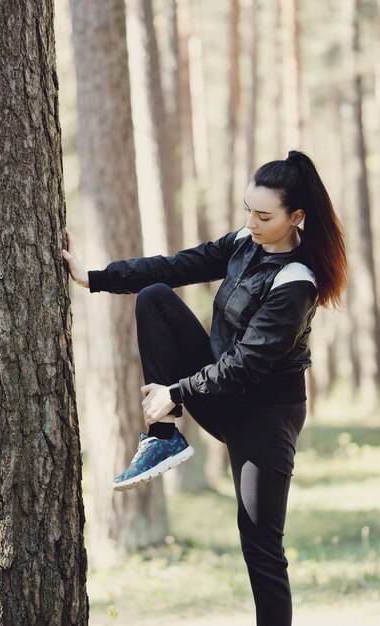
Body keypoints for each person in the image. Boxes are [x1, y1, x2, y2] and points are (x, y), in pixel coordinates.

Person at [62, 150, 347, 626]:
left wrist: (175, 392)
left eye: (263, 215)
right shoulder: (244, 242)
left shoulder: (297, 281)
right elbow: (176, 267)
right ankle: (164, 438)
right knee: (155, 298)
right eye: (247, 210)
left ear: (296, 217)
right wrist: (93, 277)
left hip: (265, 415)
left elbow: (246, 364)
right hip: (217, 391)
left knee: (261, 546)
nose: (251, 222)